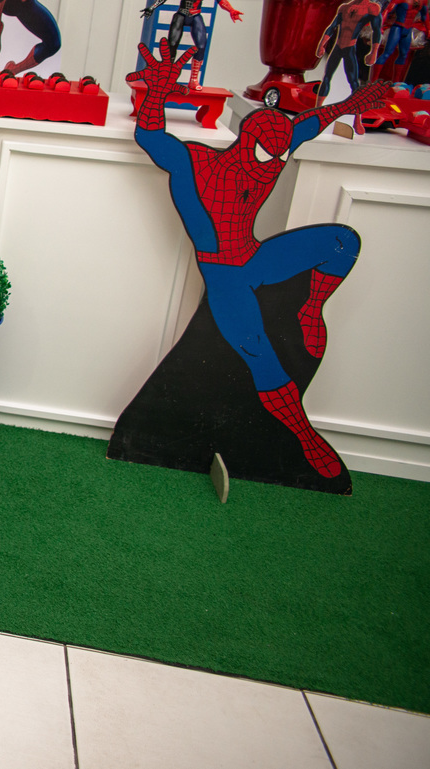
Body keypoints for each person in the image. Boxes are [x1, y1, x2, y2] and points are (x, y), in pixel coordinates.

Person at [127, 38, 385, 479]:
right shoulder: (198, 164)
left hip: (255, 256)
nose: (274, 164)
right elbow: (150, 137)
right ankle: (306, 440)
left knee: (343, 241)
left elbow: (309, 121)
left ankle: (310, 306)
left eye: (282, 155)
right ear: (247, 143)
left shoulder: (277, 150)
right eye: (268, 154)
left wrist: (351, 102)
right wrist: (156, 93)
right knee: (261, 357)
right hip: (224, 275)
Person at [140, 0, 243, 91]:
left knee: (201, 45)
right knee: (172, 44)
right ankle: (167, 76)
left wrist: (231, 10)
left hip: (195, 14)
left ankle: (193, 79)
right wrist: (152, 7)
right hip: (181, 14)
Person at [316, 0, 382, 132]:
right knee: (327, 77)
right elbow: (332, 26)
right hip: (338, 46)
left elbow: (377, 31)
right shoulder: (344, 7)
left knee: (354, 84)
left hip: (350, 47)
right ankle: (316, 112)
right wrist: (322, 44)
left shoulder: (372, 9)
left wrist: (374, 52)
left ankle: (357, 120)